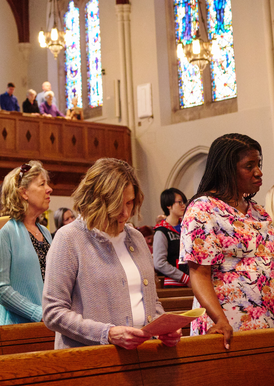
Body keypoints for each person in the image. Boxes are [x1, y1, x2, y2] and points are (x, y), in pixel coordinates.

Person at [43, 158, 181, 350]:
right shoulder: (69, 238)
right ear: (96, 201)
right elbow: (53, 312)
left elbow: (150, 301)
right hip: (91, 359)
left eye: (130, 203)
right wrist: (107, 334)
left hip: (144, 354)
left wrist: (163, 328)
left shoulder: (137, 238)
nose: (125, 213)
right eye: (117, 204)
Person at [180, 133, 274, 349]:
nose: (259, 172)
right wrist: (220, 320)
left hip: (264, 321)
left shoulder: (259, 212)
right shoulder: (203, 209)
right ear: (227, 170)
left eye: (258, 164)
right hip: (226, 324)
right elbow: (199, 274)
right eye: (249, 166)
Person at [0, 161, 53, 326]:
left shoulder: (44, 232)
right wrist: (37, 313)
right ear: (24, 193)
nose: (49, 189)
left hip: (45, 325)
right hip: (13, 328)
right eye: (42, 184)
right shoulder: (2, 229)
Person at [153, 188, 189, 287]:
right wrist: (185, 278)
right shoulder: (162, 231)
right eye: (179, 202)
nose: (183, 205)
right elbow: (159, 263)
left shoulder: (187, 227)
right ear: (168, 205)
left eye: (184, 202)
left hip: (193, 282)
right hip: (174, 284)